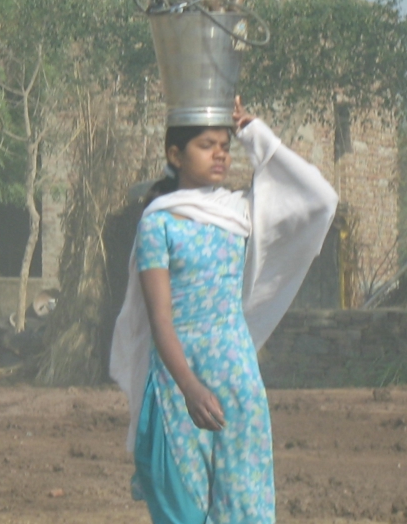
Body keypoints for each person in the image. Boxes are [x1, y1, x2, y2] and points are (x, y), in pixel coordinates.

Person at [110, 97, 339, 523]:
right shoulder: (158, 222)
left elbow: (321, 198)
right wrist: (189, 388)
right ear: (174, 155)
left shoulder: (240, 212)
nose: (220, 154)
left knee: (244, 513)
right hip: (178, 386)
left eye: (224, 145)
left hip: (238, 384)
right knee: (184, 510)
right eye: (206, 145)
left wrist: (256, 133)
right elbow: (161, 319)